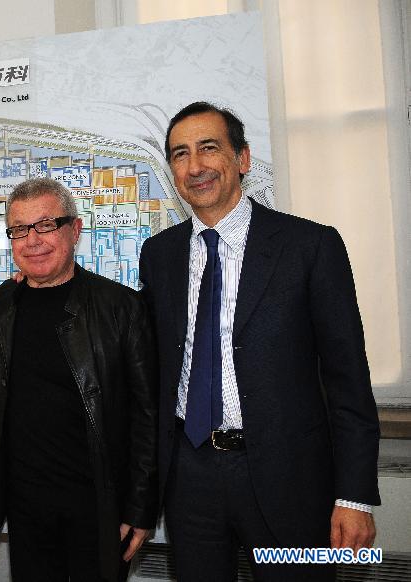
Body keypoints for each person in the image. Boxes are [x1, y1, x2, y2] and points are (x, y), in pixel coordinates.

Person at [139, 101, 381, 581]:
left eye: (209, 148)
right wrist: (44, 285)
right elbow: (145, 354)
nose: (195, 167)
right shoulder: (159, 255)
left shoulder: (310, 247)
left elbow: (347, 379)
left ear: (242, 158)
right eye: (180, 154)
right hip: (190, 478)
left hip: (288, 477)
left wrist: (353, 495)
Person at [0, 178, 158, 581]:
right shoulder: (2, 304)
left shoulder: (121, 308)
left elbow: (147, 415)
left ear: (74, 230)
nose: (32, 240)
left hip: (98, 506)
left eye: (46, 225)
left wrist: (140, 507)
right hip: (26, 508)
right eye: (19, 230)